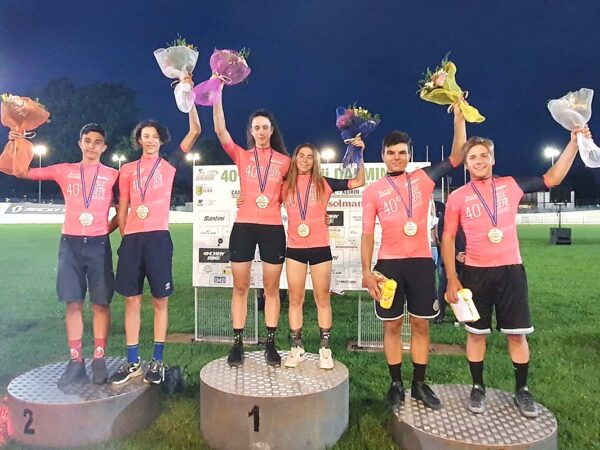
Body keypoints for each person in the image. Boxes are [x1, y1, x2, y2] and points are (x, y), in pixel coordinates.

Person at [441, 125, 591, 417]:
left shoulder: (510, 185)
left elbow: (552, 178)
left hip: (511, 271)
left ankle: (522, 390)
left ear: (493, 158)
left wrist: (573, 143)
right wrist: (451, 277)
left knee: (517, 334)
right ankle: (477, 387)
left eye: (484, 155)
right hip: (475, 273)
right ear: (466, 163)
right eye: (473, 157)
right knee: (476, 334)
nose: (479, 161)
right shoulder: (458, 196)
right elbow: (446, 238)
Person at [361, 105, 466, 410]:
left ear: (409, 155)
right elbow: (367, 234)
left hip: (421, 264)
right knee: (392, 326)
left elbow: (457, 156)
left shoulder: (424, 178)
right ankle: (396, 383)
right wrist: (366, 272)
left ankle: (419, 384)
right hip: (388, 266)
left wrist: (459, 118)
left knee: (421, 325)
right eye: (391, 153)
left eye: (402, 153)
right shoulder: (373, 191)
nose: (397, 157)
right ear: (383, 155)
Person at [10, 123, 119, 386]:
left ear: (104, 147)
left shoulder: (113, 175)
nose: (92, 146)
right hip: (70, 244)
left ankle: (99, 358)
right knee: (73, 303)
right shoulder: (64, 170)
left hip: (98, 245)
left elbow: (124, 207)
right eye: (87, 141)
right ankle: (76, 361)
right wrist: (16, 143)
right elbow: (22, 172)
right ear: (80, 143)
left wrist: (106, 228)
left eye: (97, 142)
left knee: (101, 303)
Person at [108, 78, 200, 385]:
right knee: (131, 301)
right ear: (139, 140)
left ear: (161, 140)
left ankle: (157, 361)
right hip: (132, 240)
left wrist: (188, 94)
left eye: (154, 136)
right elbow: (122, 206)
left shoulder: (169, 165)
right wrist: (125, 235)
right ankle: (133, 361)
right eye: (145, 136)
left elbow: (195, 131)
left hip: (159, 239)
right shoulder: (126, 170)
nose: (149, 140)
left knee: (160, 301)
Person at [212, 83, 291, 366]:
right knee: (240, 287)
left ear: (272, 131)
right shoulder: (241, 156)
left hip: (272, 228)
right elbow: (220, 130)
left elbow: (294, 193)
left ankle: (270, 343)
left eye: (265, 127)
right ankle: (237, 344)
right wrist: (217, 92)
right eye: (256, 127)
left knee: (271, 288)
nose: (261, 132)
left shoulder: (285, 162)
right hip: (243, 227)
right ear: (251, 131)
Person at [281, 141, 365, 369]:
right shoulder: (284, 184)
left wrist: (359, 154)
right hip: (295, 249)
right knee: (295, 299)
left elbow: (358, 181)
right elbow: (262, 201)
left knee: (322, 298)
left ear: (315, 161)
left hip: (320, 248)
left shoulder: (324, 182)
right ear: (295, 158)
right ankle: (296, 347)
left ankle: (325, 349)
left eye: (310, 157)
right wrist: (242, 200)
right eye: (301, 155)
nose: (305, 160)